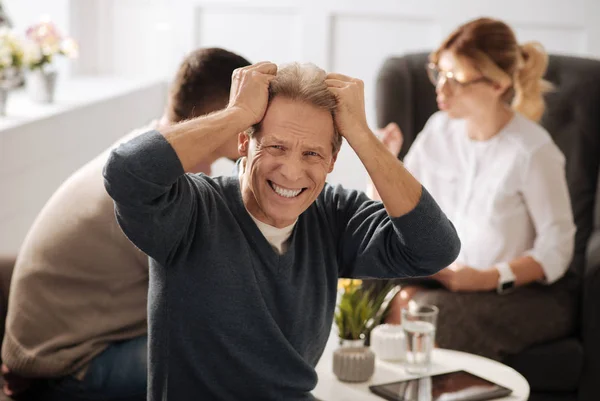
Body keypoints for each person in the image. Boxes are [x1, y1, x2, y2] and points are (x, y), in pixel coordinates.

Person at [102, 61, 461, 400]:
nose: (291, 172)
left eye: (312, 154)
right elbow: (126, 172)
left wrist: (362, 135)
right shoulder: (191, 210)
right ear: (245, 142)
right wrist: (236, 114)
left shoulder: (334, 216)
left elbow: (435, 248)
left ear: (332, 161)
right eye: (276, 147)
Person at [1, 47, 251, 400]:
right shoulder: (158, 189)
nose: (254, 129)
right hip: (65, 363)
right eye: (248, 114)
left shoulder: (143, 153)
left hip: (54, 345)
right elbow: (209, 300)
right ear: (220, 115)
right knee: (233, 365)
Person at [368, 17, 576, 361]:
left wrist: (486, 278)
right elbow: (395, 210)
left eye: (457, 80)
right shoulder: (438, 131)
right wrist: (383, 163)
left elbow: (557, 248)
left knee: (426, 312)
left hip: (514, 293)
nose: (441, 90)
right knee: (365, 285)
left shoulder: (533, 151)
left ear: (497, 84)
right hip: (442, 279)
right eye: (439, 73)